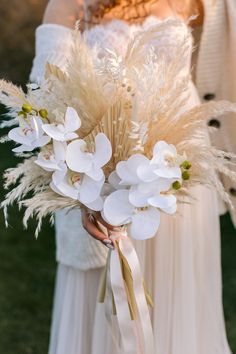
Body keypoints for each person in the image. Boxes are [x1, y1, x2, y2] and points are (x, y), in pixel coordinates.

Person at [30, 0, 236, 353]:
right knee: (107, 297)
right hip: (103, 177)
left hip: (179, 172)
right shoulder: (71, 5)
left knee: (179, 292)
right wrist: (81, 192)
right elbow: (49, 98)